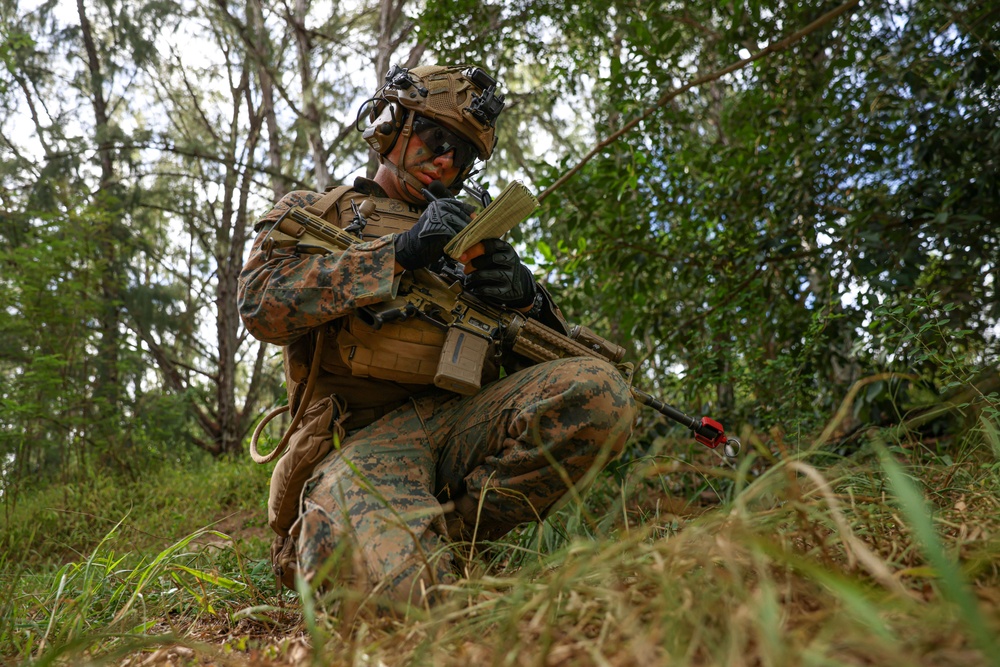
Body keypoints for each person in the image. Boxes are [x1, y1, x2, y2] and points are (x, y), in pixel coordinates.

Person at [238, 64, 636, 609]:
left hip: (458, 426)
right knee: (403, 601)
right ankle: (378, 539)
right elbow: (260, 305)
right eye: (437, 139)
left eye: (463, 155)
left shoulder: (470, 240)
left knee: (599, 391)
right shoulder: (313, 214)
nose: (447, 160)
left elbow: (544, 376)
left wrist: (526, 299)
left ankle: (446, 536)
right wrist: (396, 255)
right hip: (359, 442)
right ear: (391, 125)